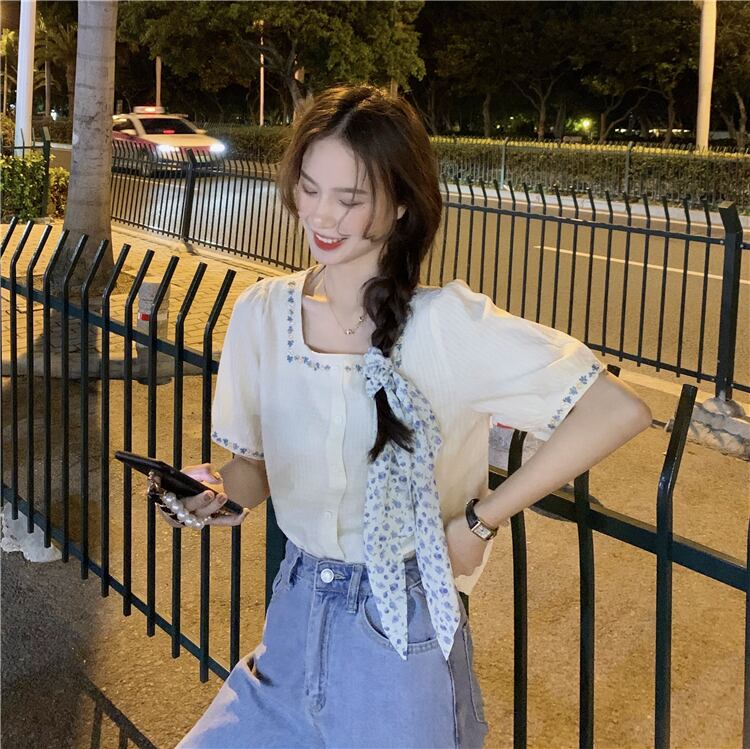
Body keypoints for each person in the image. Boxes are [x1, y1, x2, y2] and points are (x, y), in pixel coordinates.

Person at [161, 85, 652, 749]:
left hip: (400, 633)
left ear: (399, 204)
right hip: (293, 618)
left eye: (349, 197)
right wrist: (212, 492)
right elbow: (253, 472)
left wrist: (481, 519)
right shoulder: (262, 313)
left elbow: (617, 409)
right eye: (309, 188)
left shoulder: (446, 325)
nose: (321, 215)